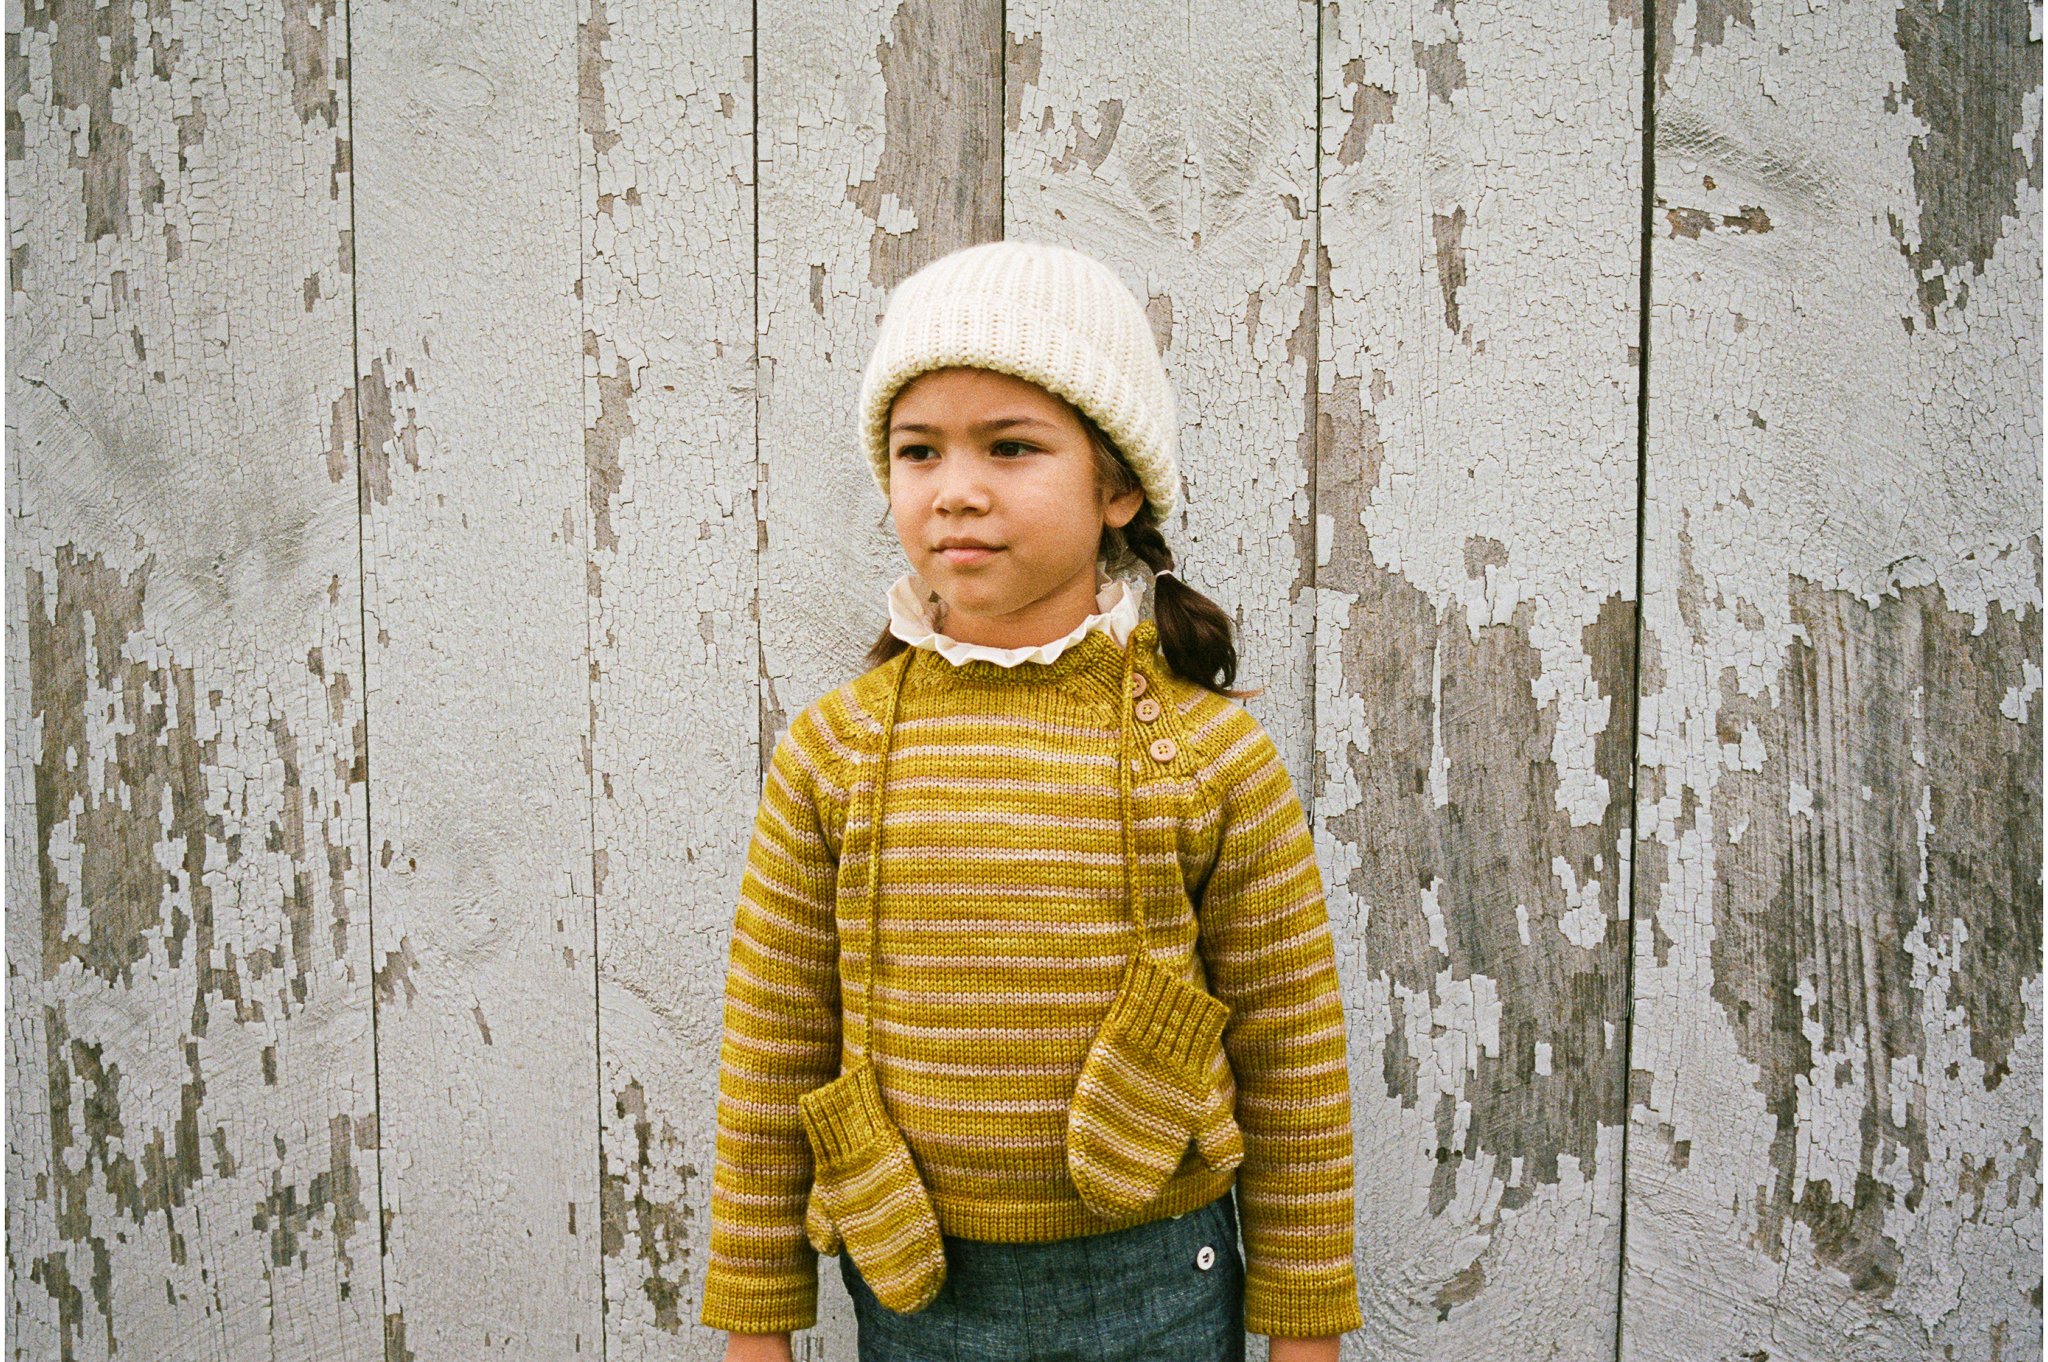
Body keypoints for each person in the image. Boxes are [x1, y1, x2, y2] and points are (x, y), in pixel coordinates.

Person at [699, 239, 1362, 1362]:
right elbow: (772, 1049)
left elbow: (1291, 1057)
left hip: (1157, 1283)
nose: (956, 488)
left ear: (1116, 488)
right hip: (915, 1283)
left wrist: (1303, 1330)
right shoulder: (834, 752)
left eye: (1010, 447)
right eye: (919, 451)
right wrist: (755, 1321)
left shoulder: (1208, 758)